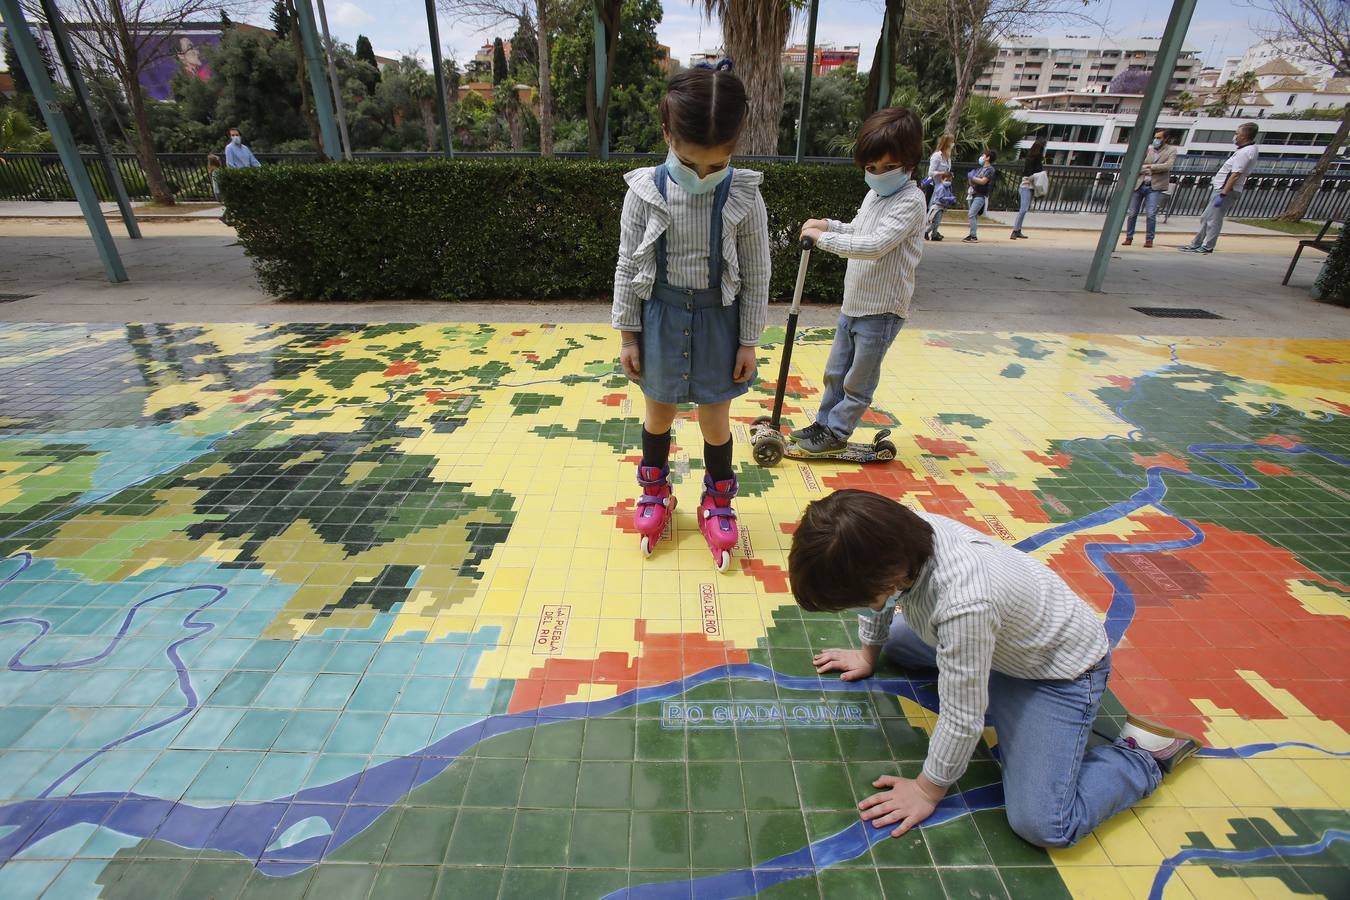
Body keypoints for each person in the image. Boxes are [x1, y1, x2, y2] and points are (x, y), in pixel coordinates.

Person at [789, 490, 1200, 848]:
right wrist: (867, 655)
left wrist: (928, 790)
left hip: (1055, 672)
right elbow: (876, 602)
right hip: (1001, 638)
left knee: (1044, 824)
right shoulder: (899, 534)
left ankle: (1142, 756)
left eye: (857, 599)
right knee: (896, 639)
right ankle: (971, 671)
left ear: (889, 577)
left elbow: (963, 718)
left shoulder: (963, 604)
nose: (860, 606)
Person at [612, 60, 771, 570]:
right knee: (658, 413)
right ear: (667, 136)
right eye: (691, 162)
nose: (703, 175)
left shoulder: (745, 195)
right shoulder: (645, 190)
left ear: (735, 145)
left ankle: (718, 498)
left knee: (715, 419)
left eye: (716, 164)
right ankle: (655, 493)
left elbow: (758, 272)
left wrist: (748, 341)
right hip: (659, 317)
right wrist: (628, 335)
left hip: (717, 320)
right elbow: (626, 262)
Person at [793, 108, 926, 457]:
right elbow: (858, 230)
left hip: (881, 310)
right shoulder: (875, 196)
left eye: (888, 168)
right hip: (854, 304)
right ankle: (824, 423)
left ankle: (837, 432)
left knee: (858, 380)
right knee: (836, 372)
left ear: (910, 162)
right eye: (871, 169)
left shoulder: (910, 201)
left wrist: (821, 240)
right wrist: (828, 225)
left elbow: (875, 245)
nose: (878, 175)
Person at [1181, 122, 1259, 255]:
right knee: (1206, 218)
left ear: (1245, 135)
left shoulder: (1245, 152)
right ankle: (1196, 243)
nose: (1235, 136)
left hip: (1225, 190)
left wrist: (1223, 193)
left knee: (1213, 219)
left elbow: (1235, 175)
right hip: (1223, 189)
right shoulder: (1247, 150)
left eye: (1237, 134)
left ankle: (1207, 246)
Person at [1122, 130, 1177, 248]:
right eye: (1155, 137)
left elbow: (1168, 166)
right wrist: (1151, 168)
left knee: (1151, 214)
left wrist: (1149, 167)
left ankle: (1149, 239)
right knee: (1132, 213)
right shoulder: (1148, 149)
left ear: (1166, 139)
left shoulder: (1171, 150)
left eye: (1159, 138)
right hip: (1140, 184)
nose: (1156, 140)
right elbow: (1137, 166)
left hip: (1154, 186)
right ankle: (1129, 237)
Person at [1009, 137, 1045, 240]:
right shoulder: (1030, 159)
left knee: (1025, 209)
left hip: (1032, 185)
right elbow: (1029, 174)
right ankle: (1015, 230)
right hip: (1026, 185)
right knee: (1023, 209)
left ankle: (1018, 230)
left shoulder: (1037, 160)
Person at [923, 133, 955, 241]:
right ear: (946, 143)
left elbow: (947, 170)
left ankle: (933, 231)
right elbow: (930, 172)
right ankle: (926, 230)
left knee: (940, 210)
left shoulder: (948, 157)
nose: (953, 144)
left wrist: (949, 175)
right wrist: (942, 173)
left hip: (943, 186)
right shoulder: (937, 156)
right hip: (934, 187)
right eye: (951, 142)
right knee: (933, 210)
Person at [963, 149, 997, 243]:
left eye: (984, 155)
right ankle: (972, 234)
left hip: (981, 194)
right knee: (972, 215)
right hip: (973, 193)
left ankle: (973, 236)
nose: (982, 157)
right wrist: (971, 178)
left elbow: (983, 181)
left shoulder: (990, 169)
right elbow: (973, 182)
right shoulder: (980, 168)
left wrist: (972, 177)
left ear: (988, 158)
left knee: (971, 214)